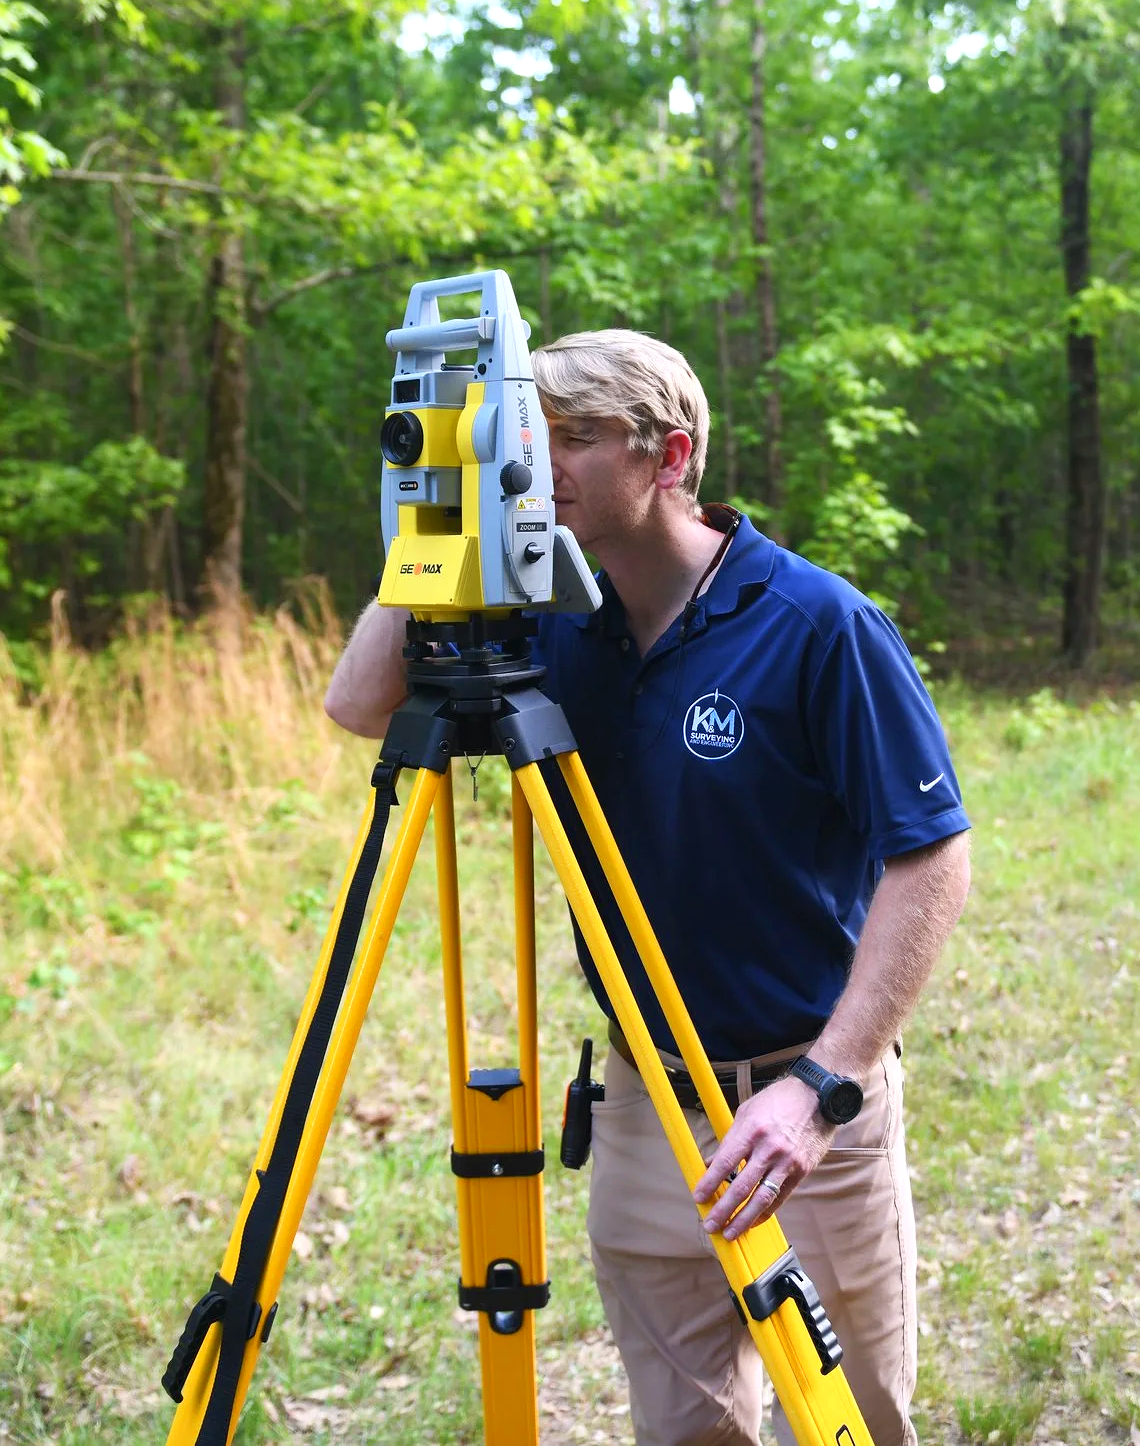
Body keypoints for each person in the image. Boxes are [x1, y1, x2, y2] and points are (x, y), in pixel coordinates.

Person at [324, 329, 971, 1446]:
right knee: (685, 1429)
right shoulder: (546, 618)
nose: (540, 462)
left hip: (801, 1104)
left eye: (572, 436)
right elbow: (359, 699)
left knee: (851, 1427)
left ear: (668, 455)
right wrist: (445, 511)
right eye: (530, 434)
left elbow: (931, 855)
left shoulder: (818, 624)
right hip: (641, 1101)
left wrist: (825, 1085)